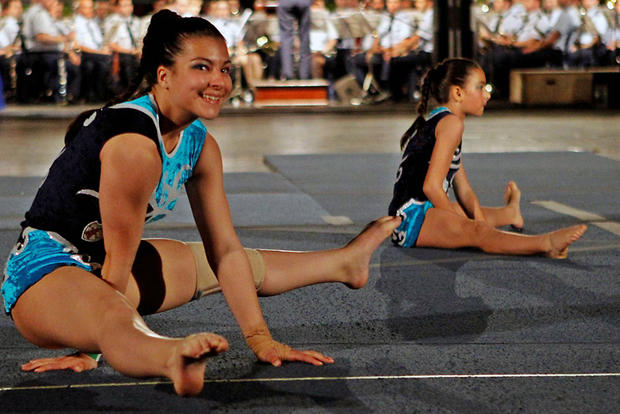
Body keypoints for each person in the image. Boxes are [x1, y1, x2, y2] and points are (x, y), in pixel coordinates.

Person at [2, 9, 401, 397]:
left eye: (224, 69)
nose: (219, 81)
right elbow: (118, 266)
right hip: (43, 277)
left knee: (223, 261)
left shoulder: (199, 145)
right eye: (201, 67)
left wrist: (260, 339)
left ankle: (342, 263)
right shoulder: (134, 145)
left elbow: (225, 251)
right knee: (112, 315)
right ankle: (171, 357)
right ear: (164, 75)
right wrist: (90, 347)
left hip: (101, 266)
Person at [388, 58, 587, 258]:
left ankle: (510, 213)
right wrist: (467, 227)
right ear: (458, 93)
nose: (487, 94)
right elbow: (431, 187)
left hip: (419, 209)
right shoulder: (451, 124)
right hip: (410, 220)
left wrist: (478, 220)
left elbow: (464, 190)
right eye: (480, 87)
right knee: (477, 231)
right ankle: (546, 243)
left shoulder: (441, 121)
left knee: (472, 215)